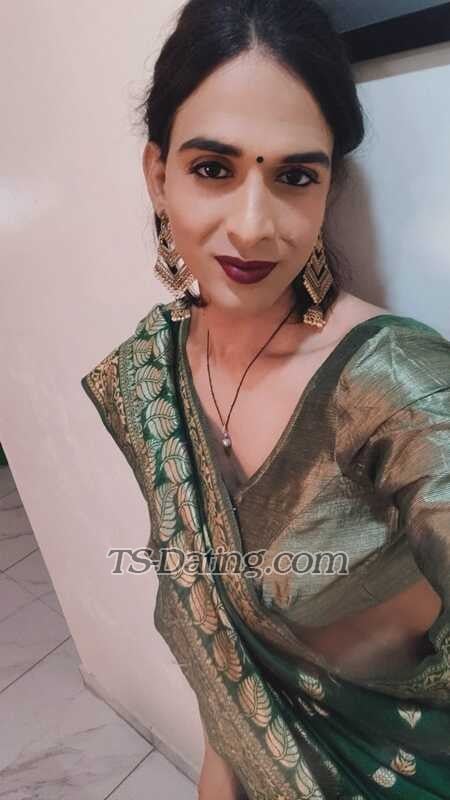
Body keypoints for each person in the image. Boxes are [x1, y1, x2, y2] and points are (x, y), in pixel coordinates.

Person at [81, 0, 450, 797]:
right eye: (213, 169)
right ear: (158, 175)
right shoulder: (154, 374)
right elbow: (224, 658)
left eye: (294, 176)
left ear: (328, 187)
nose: (253, 228)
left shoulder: (394, 384)